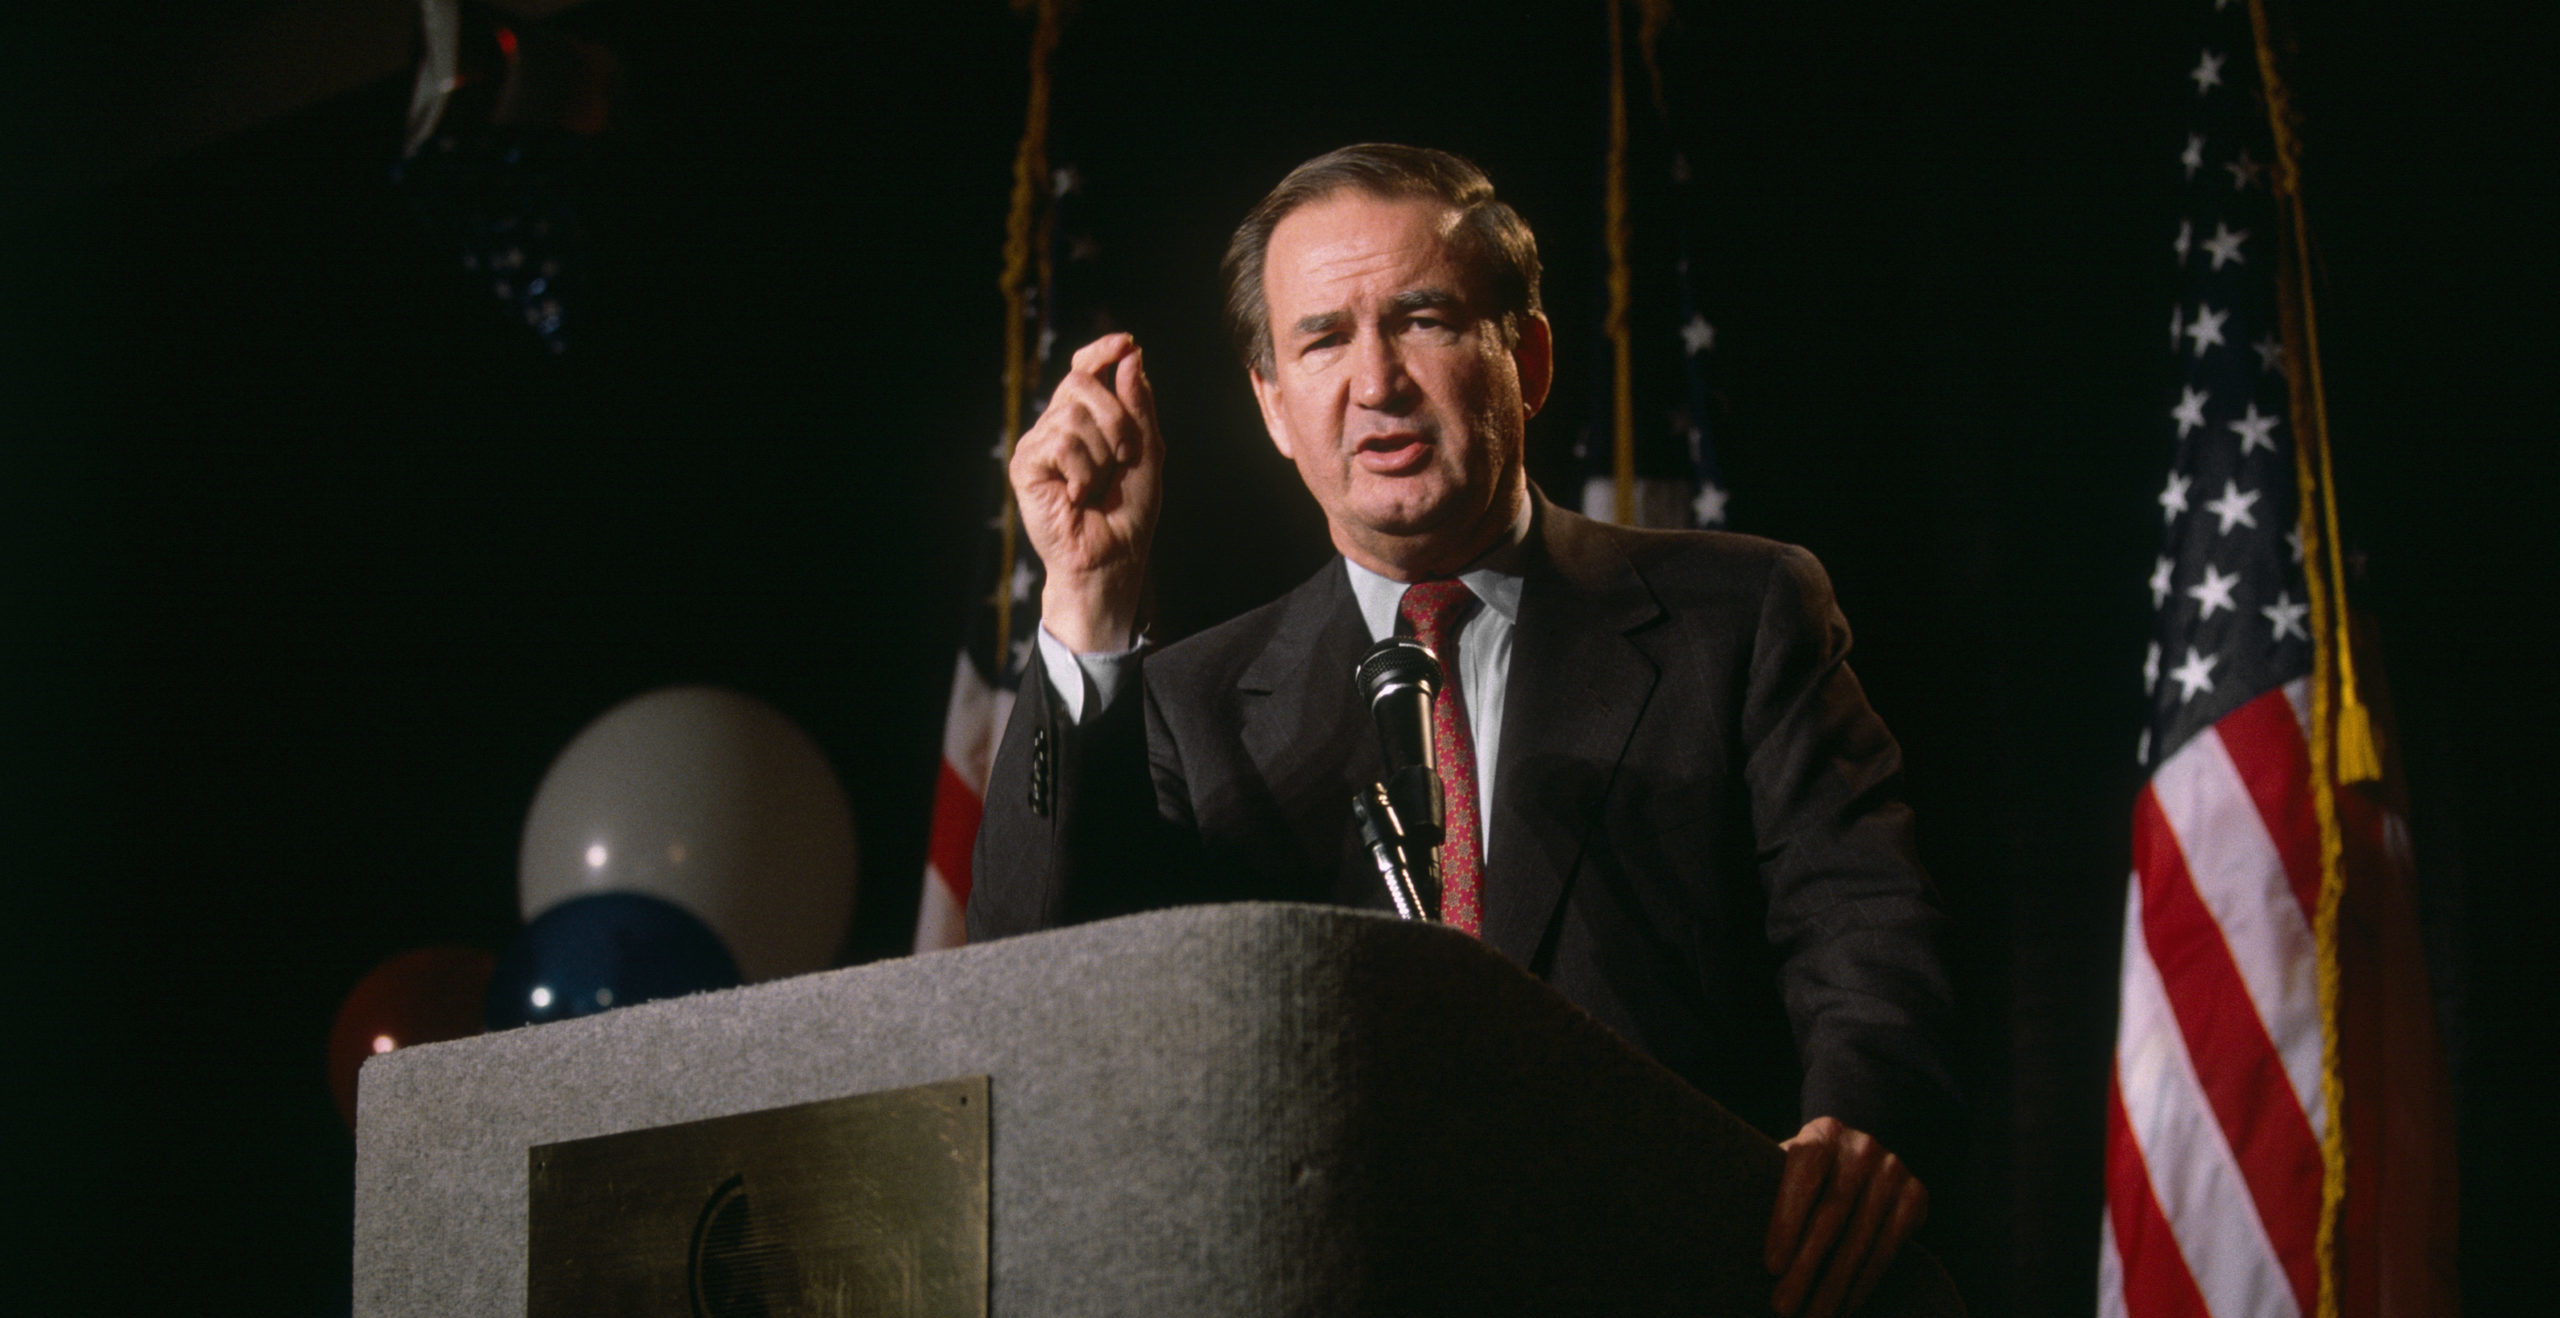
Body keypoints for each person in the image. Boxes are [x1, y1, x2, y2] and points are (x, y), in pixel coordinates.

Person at [968, 144, 1957, 1318]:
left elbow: (1862, 927)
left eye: (1423, 318)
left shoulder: (1735, 617)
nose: (1376, 381)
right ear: (1272, 406)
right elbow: (1031, 997)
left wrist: (1855, 1124)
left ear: (1526, 358)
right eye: (1323, 339)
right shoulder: (1188, 706)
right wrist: (1086, 604)